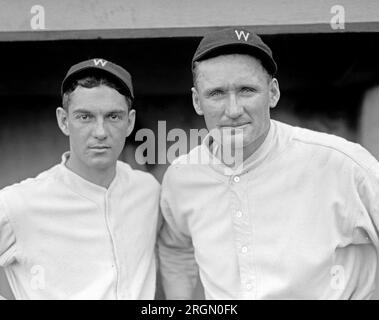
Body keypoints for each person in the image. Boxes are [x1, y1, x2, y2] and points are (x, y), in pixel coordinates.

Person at [158, 27, 379, 299]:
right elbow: (175, 249)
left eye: (247, 90)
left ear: (272, 93)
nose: (234, 110)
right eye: (216, 93)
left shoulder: (343, 164)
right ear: (197, 101)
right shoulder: (182, 177)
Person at [0, 58, 160, 299]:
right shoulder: (17, 204)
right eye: (85, 117)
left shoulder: (147, 190)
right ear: (64, 121)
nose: (100, 132)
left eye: (113, 117)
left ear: (130, 122)